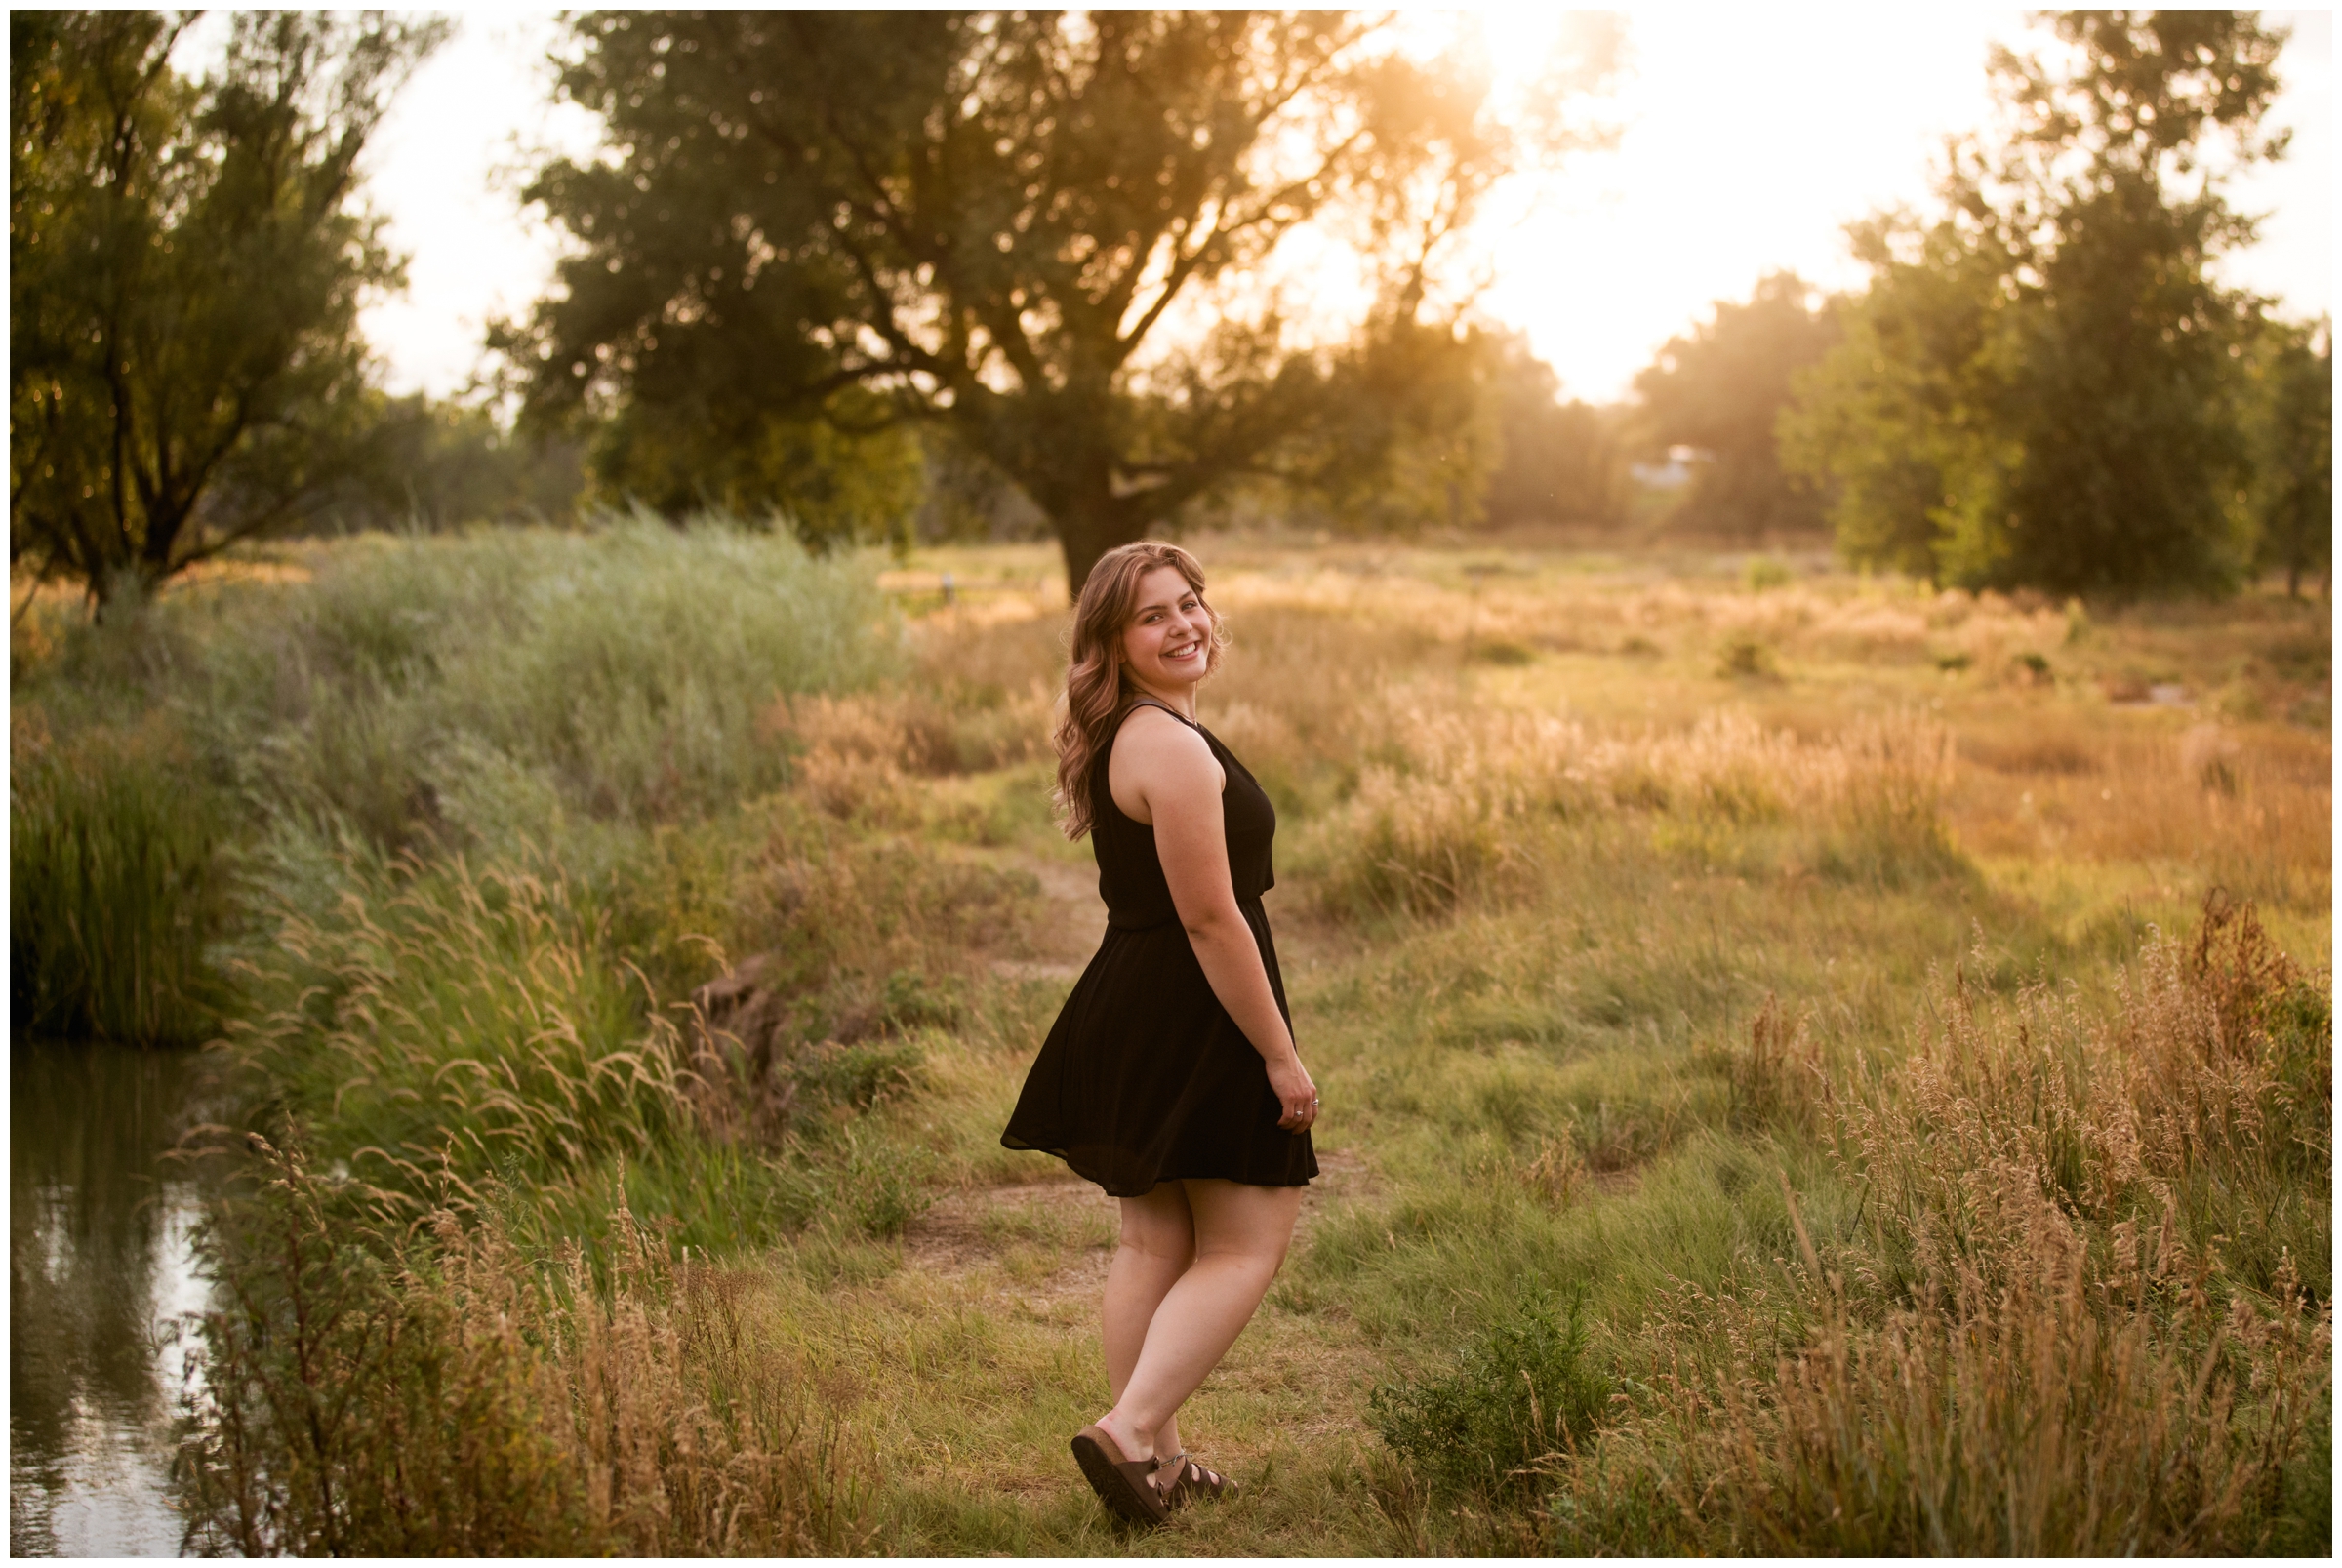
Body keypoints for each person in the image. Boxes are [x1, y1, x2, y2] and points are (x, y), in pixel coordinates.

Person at [1000, 541, 1320, 1528]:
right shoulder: (1170, 747)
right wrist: (1278, 1052)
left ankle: (1160, 1463)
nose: (1185, 625)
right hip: (1191, 1011)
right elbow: (1212, 919)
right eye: (1155, 615)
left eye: (1192, 603)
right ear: (1112, 642)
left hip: (1136, 1001)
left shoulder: (1137, 732)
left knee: (1154, 1236)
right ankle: (1132, 1427)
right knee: (1248, 1236)